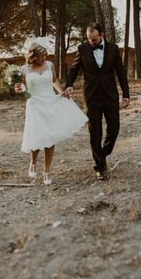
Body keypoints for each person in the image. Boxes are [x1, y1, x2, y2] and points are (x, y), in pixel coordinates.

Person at [16, 39, 88, 185]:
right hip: (35, 104)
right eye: (42, 55)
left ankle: (47, 171)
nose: (45, 58)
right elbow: (22, 88)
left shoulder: (49, 65)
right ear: (34, 54)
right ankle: (33, 161)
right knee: (37, 136)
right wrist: (19, 90)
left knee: (50, 136)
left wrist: (61, 92)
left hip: (50, 102)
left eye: (46, 55)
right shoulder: (24, 69)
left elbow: (54, 81)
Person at [64, 23, 130, 180]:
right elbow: (74, 69)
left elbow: (121, 72)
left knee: (114, 129)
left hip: (110, 95)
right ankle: (100, 167)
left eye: (94, 39)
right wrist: (69, 85)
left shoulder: (114, 49)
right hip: (91, 95)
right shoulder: (82, 49)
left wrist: (126, 94)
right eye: (89, 39)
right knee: (95, 131)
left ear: (102, 35)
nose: (91, 42)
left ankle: (102, 154)